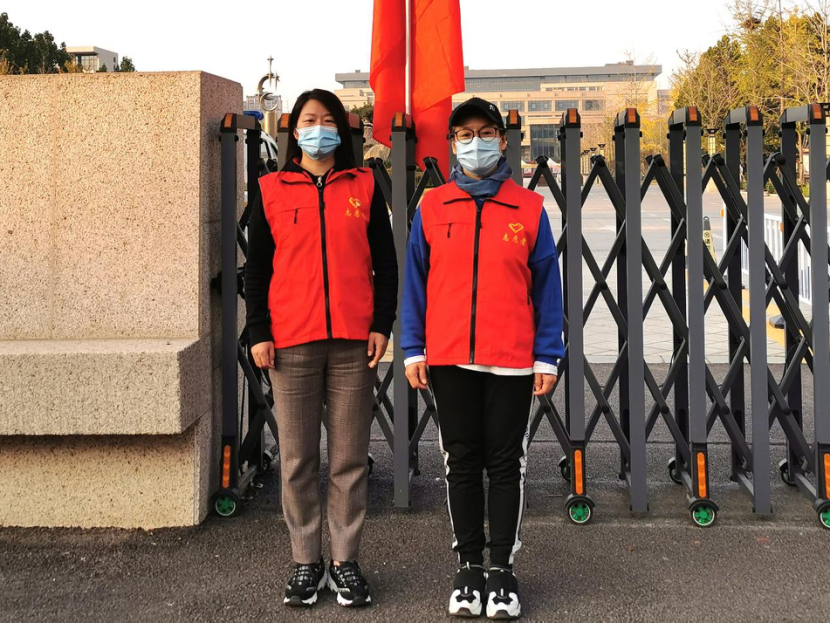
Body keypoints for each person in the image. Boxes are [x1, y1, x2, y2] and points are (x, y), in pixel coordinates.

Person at [401, 97, 564, 619]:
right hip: (449, 358)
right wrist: (412, 348)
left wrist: (548, 356)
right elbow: (415, 284)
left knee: (507, 464)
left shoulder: (529, 209)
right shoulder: (432, 207)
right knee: (461, 462)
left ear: (502, 139)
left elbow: (548, 288)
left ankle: (502, 570)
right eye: (465, 134)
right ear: (452, 144)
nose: (476, 143)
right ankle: (469, 566)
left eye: (486, 132)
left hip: (511, 358)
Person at [245, 88, 397, 608]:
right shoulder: (271, 189)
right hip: (291, 342)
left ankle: (345, 562)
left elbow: (386, 263)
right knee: (297, 459)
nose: (318, 129)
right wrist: (259, 330)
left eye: (327, 120)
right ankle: (306, 561)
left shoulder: (365, 185)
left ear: (341, 130)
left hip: (354, 342)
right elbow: (257, 270)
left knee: (350, 460)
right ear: (294, 131)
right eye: (309, 121)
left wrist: (381, 323)